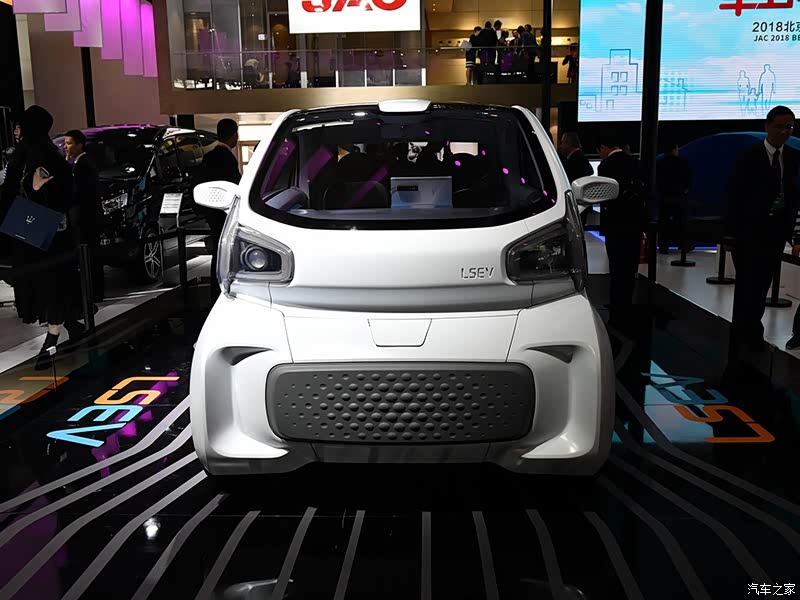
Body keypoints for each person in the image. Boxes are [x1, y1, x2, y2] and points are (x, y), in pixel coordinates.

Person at [0, 106, 83, 369]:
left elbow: (61, 196)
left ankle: (52, 339)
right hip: (29, 232)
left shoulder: (45, 157)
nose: (17, 131)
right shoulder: (24, 155)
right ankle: (72, 326)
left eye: (21, 126)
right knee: (45, 284)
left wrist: (35, 189)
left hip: (45, 234)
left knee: (51, 284)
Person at [726, 105, 800, 351]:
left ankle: (752, 335)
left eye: (789, 127)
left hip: (775, 234)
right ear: (767, 126)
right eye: (779, 126)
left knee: (761, 287)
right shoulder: (747, 156)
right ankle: (742, 337)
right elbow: (734, 196)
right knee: (747, 286)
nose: (784, 132)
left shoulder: (793, 157)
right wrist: (732, 233)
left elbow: (792, 196)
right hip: (747, 234)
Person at [597, 132, 644, 327]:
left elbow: (604, 196)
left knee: (616, 266)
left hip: (614, 223)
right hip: (634, 223)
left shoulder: (605, 166)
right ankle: (627, 304)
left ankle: (616, 305)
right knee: (630, 266)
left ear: (604, 148)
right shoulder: (635, 163)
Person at [194, 118, 241, 282]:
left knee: (218, 248)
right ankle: (223, 281)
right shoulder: (227, 157)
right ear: (234, 135)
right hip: (224, 211)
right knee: (226, 250)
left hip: (211, 210)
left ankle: (216, 282)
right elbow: (235, 184)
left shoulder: (209, 156)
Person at [64, 129, 104, 303]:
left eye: (69, 143)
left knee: (90, 256)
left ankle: (94, 292)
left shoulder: (83, 165)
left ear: (80, 145)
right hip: (88, 217)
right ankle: (94, 291)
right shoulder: (82, 163)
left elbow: (81, 193)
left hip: (87, 218)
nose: (66, 147)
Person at [656, 139, 692, 254]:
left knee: (664, 222)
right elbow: (688, 180)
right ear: (674, 149)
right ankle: (683, 245)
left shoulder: (659, 163)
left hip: (665, 197)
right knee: (681, 222)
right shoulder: (683, 163)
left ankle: (663, 247)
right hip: (679, 197)